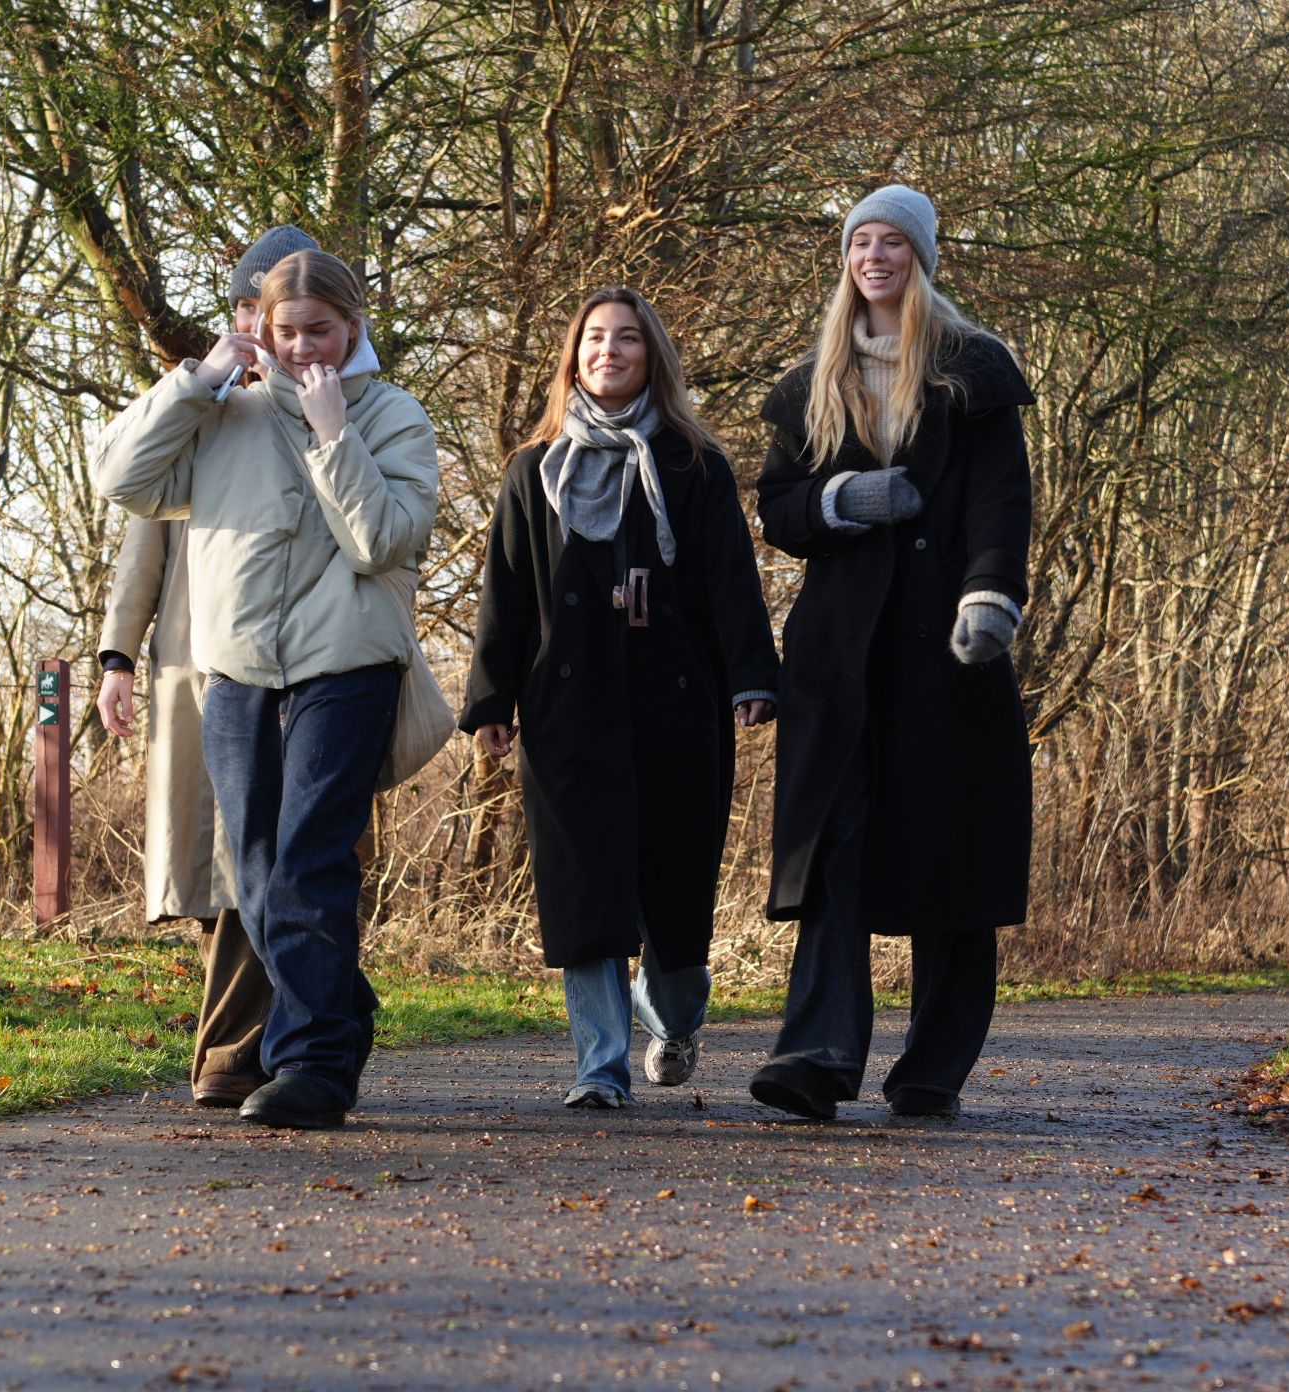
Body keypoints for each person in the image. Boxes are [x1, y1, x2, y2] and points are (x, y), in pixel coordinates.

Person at [93, 249, 438, 1129]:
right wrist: (196, 379)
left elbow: (383, 541)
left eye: (320, 331)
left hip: (347, 667)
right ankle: (340, 1003)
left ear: (353, 327)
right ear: (258, 327)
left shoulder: (393, 416)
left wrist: (335, 437)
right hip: (237, 668)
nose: (301, 348)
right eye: (285, 331)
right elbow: (123, 481)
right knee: (253, 870)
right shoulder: (223, 413)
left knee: (308, 858)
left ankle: (314, 1062)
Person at [748, 185, 1036, 1121]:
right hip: (837, 658)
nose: (875, 256)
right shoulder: (812, 382)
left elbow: (1002, 498)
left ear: (922, 257)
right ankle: (818, 1054)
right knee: (835, 843)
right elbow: (778, 508)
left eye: (893, 242)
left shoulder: (972, 371)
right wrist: (840, 502)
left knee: (951, 852)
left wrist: (991, 595)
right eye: (861, 242)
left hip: (948, 654)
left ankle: (931, 1068)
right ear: (847, 259)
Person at [460, 287, 779, 1108]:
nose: (609, 351)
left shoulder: (694, 465)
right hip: (569, 713)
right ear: (574, 358)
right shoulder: (533, 471)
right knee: (586, 890)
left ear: (652, 356)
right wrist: (492, 699)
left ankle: (673, 1019)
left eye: (627, 338)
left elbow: (732, 581)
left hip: (677, 707)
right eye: (595, 338)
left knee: (674, 894)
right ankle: (599, 1068)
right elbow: (506, 593)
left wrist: (751, 674)